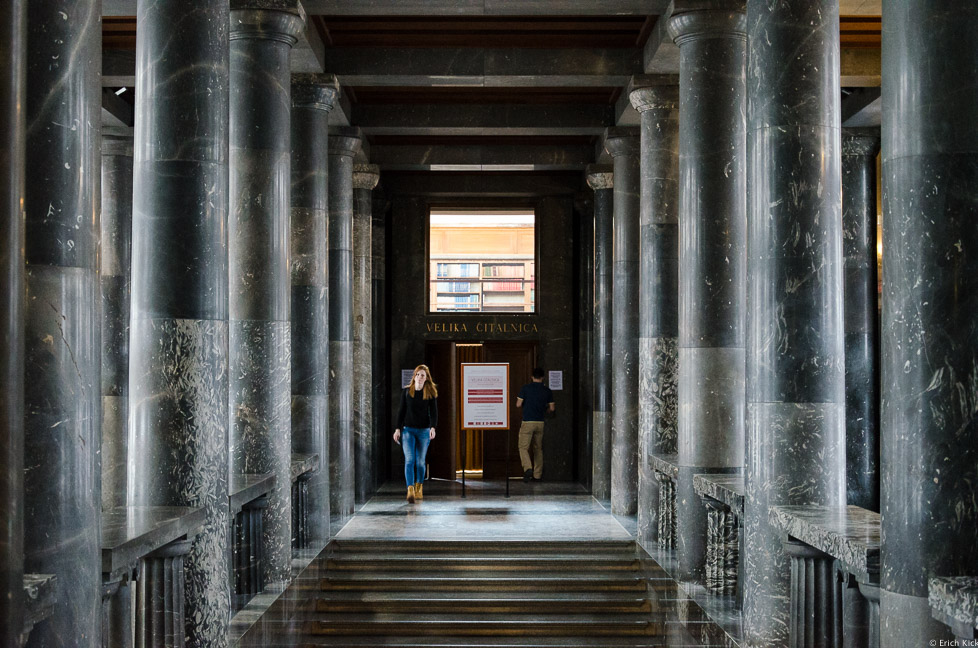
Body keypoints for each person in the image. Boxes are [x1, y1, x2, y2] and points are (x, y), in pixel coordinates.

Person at [394, 364, 438, 503]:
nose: (419, 377)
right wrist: (397, 429)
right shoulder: (407, 391)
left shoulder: (430, 393)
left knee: (420, 462)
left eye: (422, 375)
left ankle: (419, 487)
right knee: (410, 460)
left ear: (426, 378)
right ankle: (410, 489)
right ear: (414, 376)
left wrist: (433, 427)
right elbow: (401, 411)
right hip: (408, 431)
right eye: (417, 374)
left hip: (424, 431)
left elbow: (434, 412)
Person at [516, 367, 555, 482]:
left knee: (523, 447)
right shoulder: (547, 390)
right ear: (543, 378)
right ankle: (537, 475)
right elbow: (552, 408)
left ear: (532, 377)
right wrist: (545, 410)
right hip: (540, 422)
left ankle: (528, 468)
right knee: (538, 449)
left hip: (527, 421)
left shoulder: (525, 388)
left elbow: (518, 404)